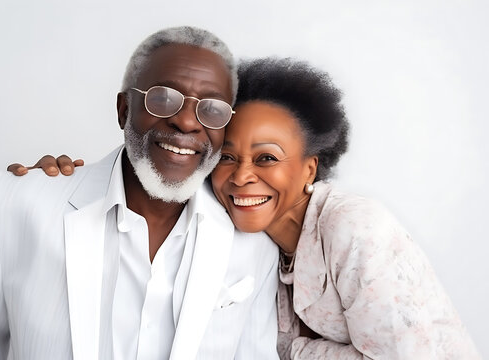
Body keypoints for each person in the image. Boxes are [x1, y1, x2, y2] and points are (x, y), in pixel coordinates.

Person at [25, 58, 481, 359]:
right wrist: (65, 176)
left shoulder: (353, 227)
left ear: (309, 170)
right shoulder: (236, 226)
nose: (242, 176)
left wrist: (295, 350)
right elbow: (142, 181)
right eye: (227, 157)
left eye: (267, 158)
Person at [0, 27, 280, 360]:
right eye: (163, 98)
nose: (186, 122)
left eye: (211, 109)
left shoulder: (253, 242)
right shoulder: (15, 206)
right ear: (124, 109)